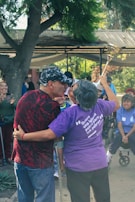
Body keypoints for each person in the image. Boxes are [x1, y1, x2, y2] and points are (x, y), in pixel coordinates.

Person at [13, 76, 120, 202]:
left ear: (75, 98)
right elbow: (116, 104)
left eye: (72, 88)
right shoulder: (99, 105)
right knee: (103, 198)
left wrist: (24, 136)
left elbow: (49, 134)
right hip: (99, 163)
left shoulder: (69, 114)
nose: (68, 89)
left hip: (77, 167)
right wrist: (105, 85)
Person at [11, 66, 72, 202]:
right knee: (44, 198)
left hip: (20, 158)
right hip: (40, 162)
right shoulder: (51, 106)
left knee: (24, 198)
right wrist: (60, 107)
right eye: (61, 83)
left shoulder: (26, 96)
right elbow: (55, 135)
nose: (65, 86)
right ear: (51, 84)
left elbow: (18, 125)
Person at [107, 93, 135, 164]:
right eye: (124, 102)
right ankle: (108, 157)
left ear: (132, 103)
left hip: (132, 131)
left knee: (132, 139)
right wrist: (123, 136)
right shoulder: (120, 111)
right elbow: (119, 124)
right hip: (121, 131)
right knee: (117, 138)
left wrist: (127, 136)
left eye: (128, 102)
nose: (126, 103)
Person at [0, 80, 16, 165]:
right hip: (1, 121)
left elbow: (16, 107)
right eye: (3, 86)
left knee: (8, 139)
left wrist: (12, 103)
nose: (5, 88)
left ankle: (8, 156)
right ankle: (1, 157)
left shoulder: (10, 97)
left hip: (9, 121)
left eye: (6, 86)